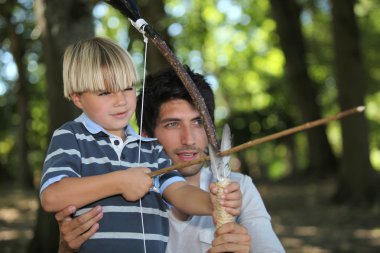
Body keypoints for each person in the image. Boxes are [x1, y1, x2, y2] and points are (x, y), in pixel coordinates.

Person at [39, 37, 241, 253]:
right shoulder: (71, 136)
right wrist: (119, 182)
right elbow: (52, 197)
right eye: (105, 92)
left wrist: (211, 203)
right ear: (77, 98)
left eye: (127, 88)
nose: (121, 101)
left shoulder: (151, 149)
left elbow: (179, 191)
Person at [55, 66, 285, 252]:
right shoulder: (122, 196)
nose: (189, 139)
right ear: (145, 137)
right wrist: (68, 250)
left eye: (198, 123)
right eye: (172, 124)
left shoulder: (238, 188)